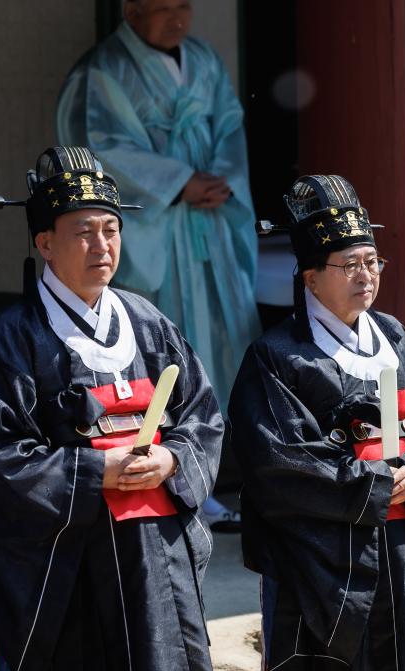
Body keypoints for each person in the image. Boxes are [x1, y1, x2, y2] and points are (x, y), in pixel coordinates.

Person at [0, 146, 225, 671]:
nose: (102, 246)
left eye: (112, 229)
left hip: (155, 558)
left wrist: (173, 461)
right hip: (72, 562)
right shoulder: (15, 338)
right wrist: (95, 470)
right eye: (83, 232)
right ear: (45, 243)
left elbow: (202, 416)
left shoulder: (149, 322)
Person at [229, 175, 405, 671]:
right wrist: (381, 483)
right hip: (327, 560)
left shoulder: (397, 338)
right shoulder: (277, 357)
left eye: (372, 261)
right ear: (310, 278)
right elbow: (279, 463)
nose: (366, 275)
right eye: (349, 264)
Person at [57, 0, 257, 532]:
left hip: (206, 225)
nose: (178, 18)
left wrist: (217, 179)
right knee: (163, 350)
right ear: (131, 9)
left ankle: (221, 472)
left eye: (184, 6)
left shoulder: (206, 61)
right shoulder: (105, 71)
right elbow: (105, 148)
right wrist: (178, 182)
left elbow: (229, 126)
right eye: (163, 7)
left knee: (221, 344)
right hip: (160, 233)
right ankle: (174, 479)